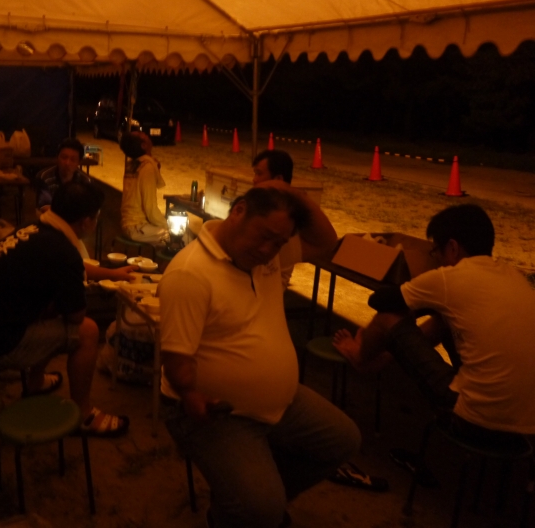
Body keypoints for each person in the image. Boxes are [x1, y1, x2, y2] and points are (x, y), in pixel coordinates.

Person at [159, 185, 360, 528]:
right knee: (262, 508)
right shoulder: (190, 273)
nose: (268, 250)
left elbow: (326, 241)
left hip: (280, 401)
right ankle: (249, 506)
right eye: (264, 236)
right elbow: (176, 359)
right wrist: (191, 395)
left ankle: (248, 501)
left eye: (279, 243)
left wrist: (293, 195)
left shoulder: (267, 258)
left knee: (343, 439)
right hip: (219, 413)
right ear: (238, 211)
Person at [332, 204, 535, 441]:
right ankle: (383, 359)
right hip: (527, 425)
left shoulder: (451, 278)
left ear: (452, 247)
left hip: (474, 418)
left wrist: (421, 294)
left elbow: (379, 300)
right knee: (444, 319)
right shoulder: (514, 276)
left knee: (388, 317)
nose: (436, 259)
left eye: (436, 251)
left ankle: (361, 357)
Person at [0, 181, 129, 437]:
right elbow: (76, 315)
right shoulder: (62, 251)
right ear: (86, 221)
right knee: (87, 331)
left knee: (48, 307)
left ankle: (35, 383)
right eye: (96, 216)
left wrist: (114, 274)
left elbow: (71, 267)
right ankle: (84, 414)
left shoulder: (35, 230)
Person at [252, 149, 298, 289]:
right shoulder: (259, 206)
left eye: (259, 173)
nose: (254, 179)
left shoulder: (285, 219)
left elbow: (283, 272)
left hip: (265, 291)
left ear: (278, 180)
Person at [119, 131, 168, 245]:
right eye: (143, 135)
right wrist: (167, 225)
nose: (146, 135)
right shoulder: (147, 167)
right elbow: (150, 210)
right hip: (138, 227)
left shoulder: (131, 165)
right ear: (144, 145)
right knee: (179, 237)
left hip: (127, 225)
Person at [35, 137, 91, 211]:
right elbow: (44, 206)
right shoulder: (44, 177)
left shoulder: (84, 181)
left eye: (73, 159)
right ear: (57, 157)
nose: (67, 163)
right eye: (64, 157)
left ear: (79, 162)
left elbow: (86, 208)